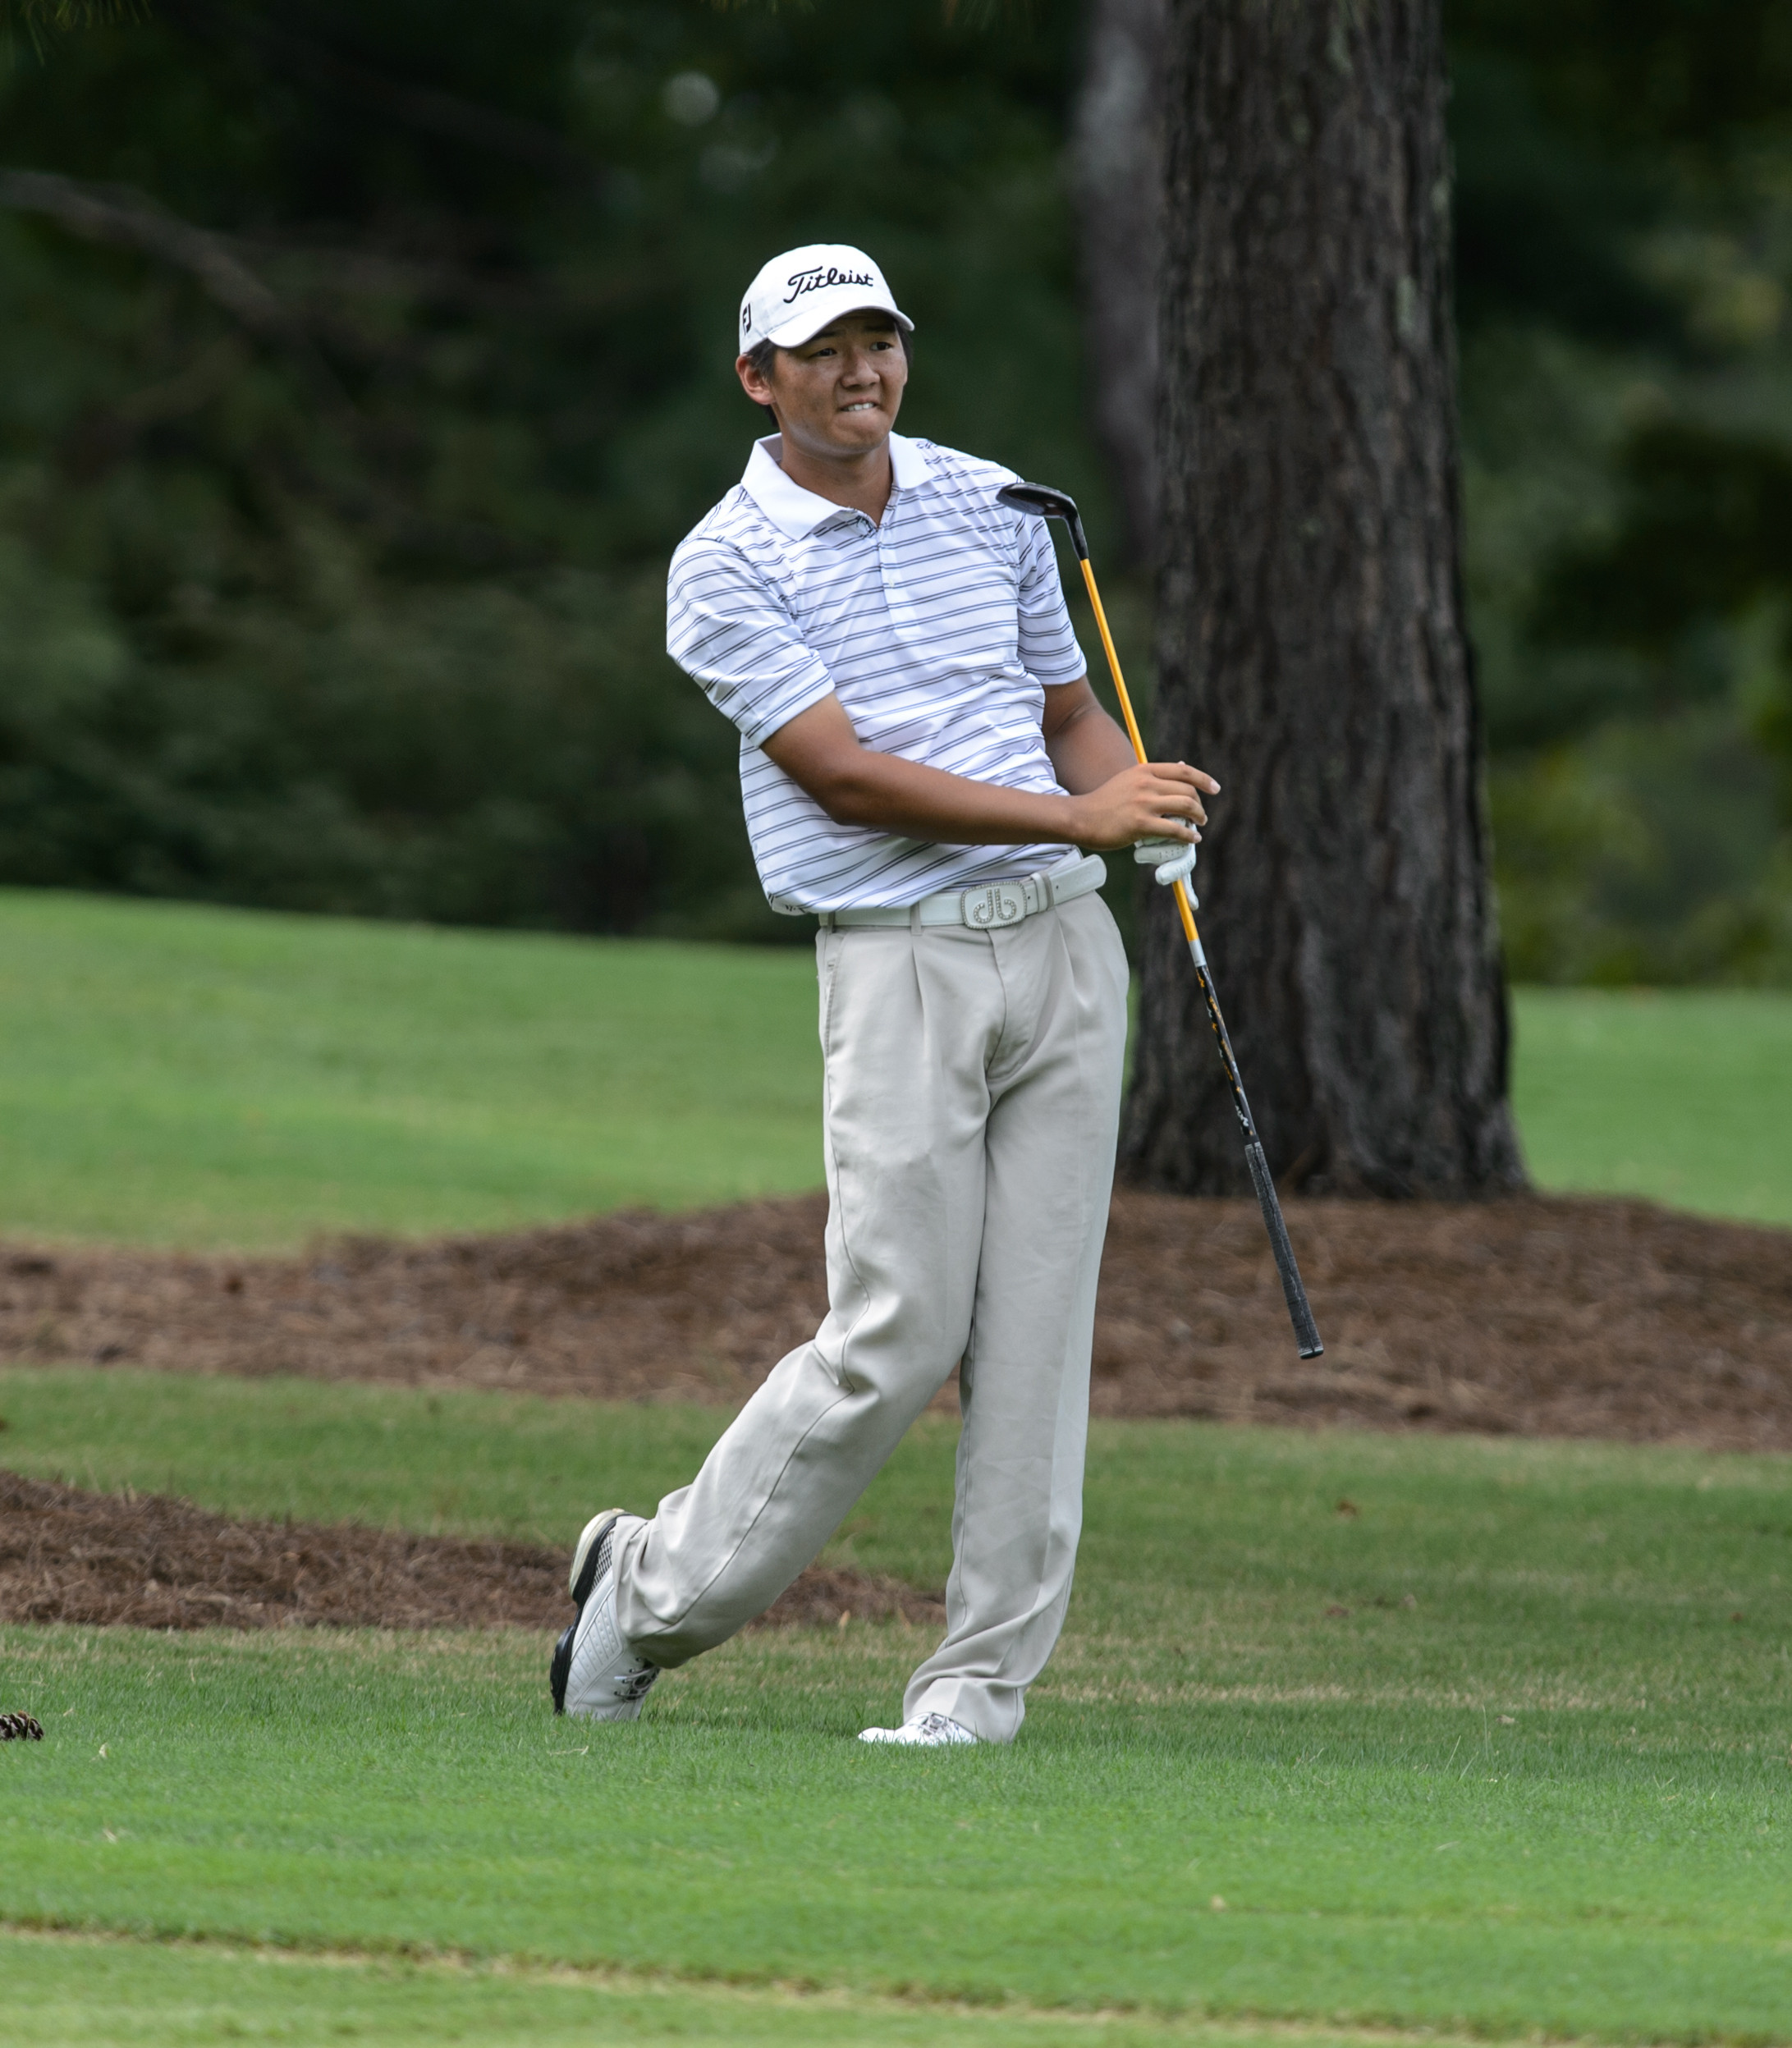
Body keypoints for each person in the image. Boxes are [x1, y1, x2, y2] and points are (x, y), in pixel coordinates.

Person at [551, 243, 1216, 1747]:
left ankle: (977, 1691)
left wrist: (1143, 806)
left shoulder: (1000, 504)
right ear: (759, 377)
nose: (863, 371)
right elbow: (840, 780)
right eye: (826, 348)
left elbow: (1067, 716)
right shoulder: (723, 563)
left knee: (1038, 1341)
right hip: (898, 959)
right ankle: (646, 1595)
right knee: (899, 1330)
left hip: (1065, 947)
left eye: (882, 340)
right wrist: (1081, 817)